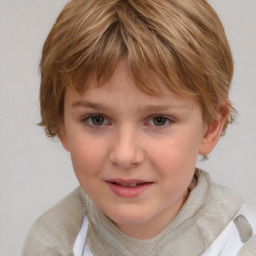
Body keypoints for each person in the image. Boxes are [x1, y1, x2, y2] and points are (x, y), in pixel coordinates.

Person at [22, 0, 256, 255]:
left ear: (210, 127)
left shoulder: (240, 243)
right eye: (97, 119)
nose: (124, 154)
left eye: (159, 120)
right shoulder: (55, 242)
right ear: (61, 125)